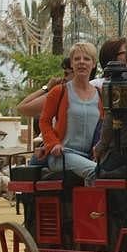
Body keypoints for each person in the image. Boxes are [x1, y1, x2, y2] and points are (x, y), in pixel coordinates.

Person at [39, 41, 102, 185]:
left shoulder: (100, 95)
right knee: (96, 171)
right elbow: (44, 121)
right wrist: (53, 144)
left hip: (89, 156)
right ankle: (93, 208)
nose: (81, 62)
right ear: (72, 64)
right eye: (77, 59)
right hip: (62, 155)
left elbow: (103, 126)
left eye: (86, 59)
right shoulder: (59, 91)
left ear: (93, 64)